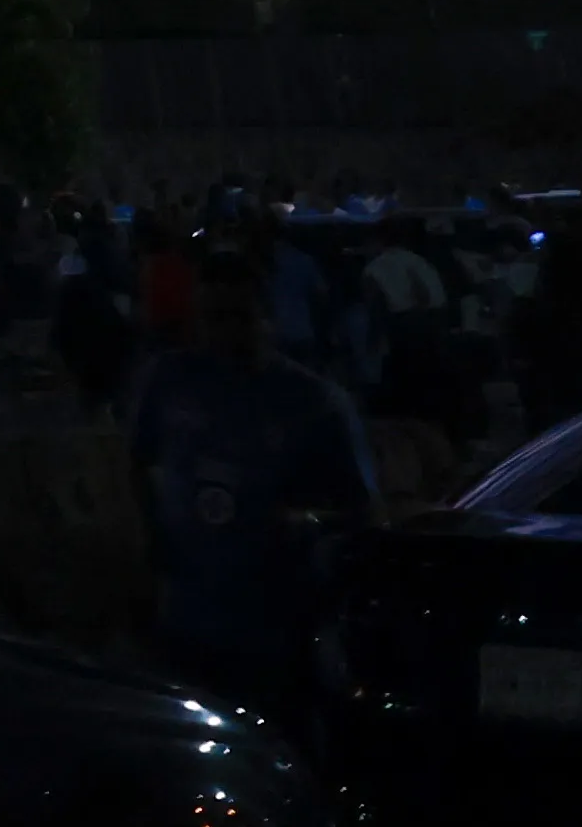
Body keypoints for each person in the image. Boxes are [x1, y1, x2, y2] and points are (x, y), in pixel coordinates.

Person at [123, 247, 386, 727]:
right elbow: (136, 462)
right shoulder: (169, 380)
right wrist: (151, 538)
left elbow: (362, 510)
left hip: (275, 621)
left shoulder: (314, 403)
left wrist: (301, 524)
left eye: (235, 317)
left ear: (266, 316)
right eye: (209, 317)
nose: (221, 332)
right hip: (186, 614)